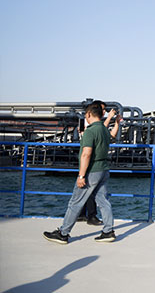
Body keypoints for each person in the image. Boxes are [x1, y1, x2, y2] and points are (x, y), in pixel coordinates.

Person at [43, 101, 116, 244]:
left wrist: (81, 175)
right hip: (103, 169)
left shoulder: (90, 131)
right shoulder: (104, 129)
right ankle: (108, 231)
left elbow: (86, 154)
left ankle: (63, 233)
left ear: (88, 114)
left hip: (91, 171)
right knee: (103, 201)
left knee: (75, 202)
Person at [77, 101, 120, 226]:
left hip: (95, 165)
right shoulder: (89, 124)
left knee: (87, 195)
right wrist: (110, 118)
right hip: (91, 164)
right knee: (86, 196)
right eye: (103, 109)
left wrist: (116, 122)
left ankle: (86, 217)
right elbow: (100, 131)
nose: (104, 112)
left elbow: (107, 133)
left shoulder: (98, 126)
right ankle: (87, 217)